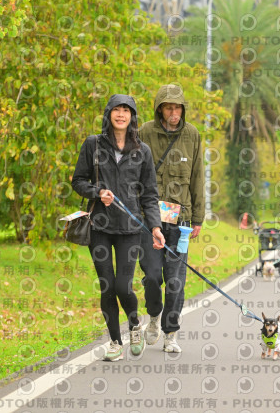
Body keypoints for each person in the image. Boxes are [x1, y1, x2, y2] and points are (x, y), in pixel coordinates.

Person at [72, 94, 165, 361]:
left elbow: (150, 194)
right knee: (107, 286)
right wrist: (97, 192)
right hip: (99, 227)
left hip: (130, 227)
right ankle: (115, 342)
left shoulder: (142, 151)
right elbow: (78, 181)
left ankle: (134, 324)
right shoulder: (93, 144)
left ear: (132, 116)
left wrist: (155, 227)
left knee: (123, 286)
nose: (121, 114)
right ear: (109, 114)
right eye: (116, 109)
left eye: (126, 110)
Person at [138, 84, 204, 353]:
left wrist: (198, 217)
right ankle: (154, 315)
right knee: (153, 275)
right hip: (149, 218)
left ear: (183, 109)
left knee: (176, 280)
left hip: (181, 220)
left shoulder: (192, 135)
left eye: (177, 107)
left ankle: (171, 333)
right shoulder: (144, 132)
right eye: (168, 107)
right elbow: (133, 171)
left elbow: (197, 176)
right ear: (159, 109)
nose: (173, 112)